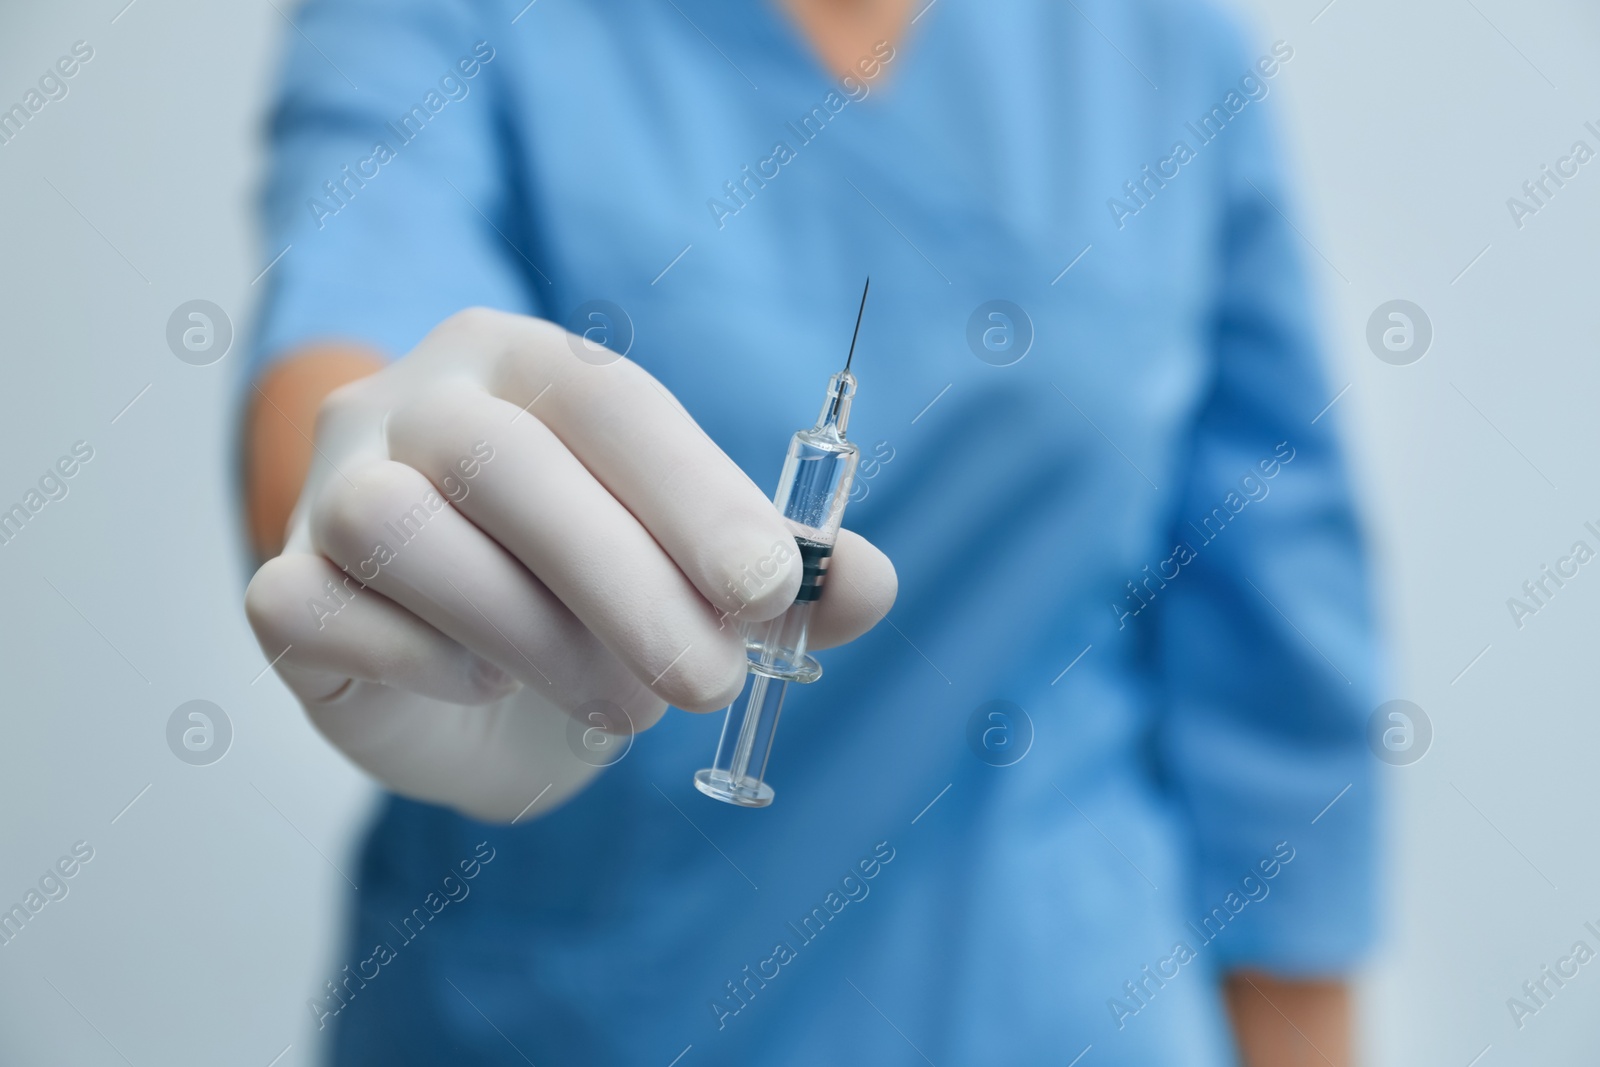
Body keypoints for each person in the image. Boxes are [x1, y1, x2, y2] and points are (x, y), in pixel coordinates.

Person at [242, 0, 1380, 1062]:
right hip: (578, 1010)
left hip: (1051, 1003)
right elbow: (353, 326)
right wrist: (388, 516)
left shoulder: (1157, 41)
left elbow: (1279, 661)